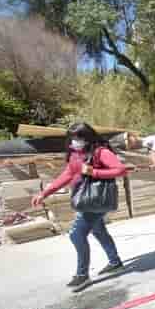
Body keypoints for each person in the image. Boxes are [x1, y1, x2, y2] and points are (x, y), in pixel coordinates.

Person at [31, 123, 126, 292]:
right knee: (98, 231)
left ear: (88, 138)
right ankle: (115, 262)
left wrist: (93, 172)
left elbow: (120, 170)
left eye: (79, 138)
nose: (76, 141)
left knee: (76, 234)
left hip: (96, 200)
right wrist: (45, 193)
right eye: (73, 137)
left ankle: (82, 275)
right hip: (85, 199)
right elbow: (67, 175)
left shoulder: (100, 151)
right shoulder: (75, 154)